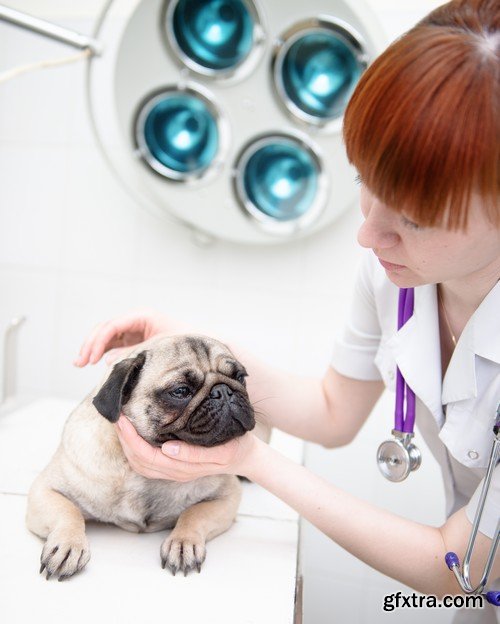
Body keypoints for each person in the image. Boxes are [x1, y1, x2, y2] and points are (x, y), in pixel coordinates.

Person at [74, 0, 499, 620]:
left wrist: (248, 459)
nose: (368, 236)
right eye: (365, 185)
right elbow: (331, 412)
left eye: (412, 218)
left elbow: (452, 566)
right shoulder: (398, 272)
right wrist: (194, 344)